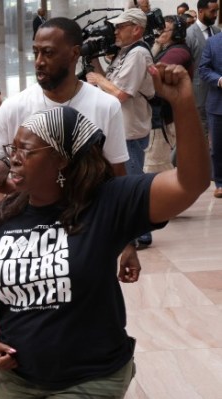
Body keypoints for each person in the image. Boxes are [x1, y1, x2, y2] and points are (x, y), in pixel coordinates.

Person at [0, 62, 208, 399]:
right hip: (18, 382)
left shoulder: (108, 203)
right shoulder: (2, 215)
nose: (11, 158)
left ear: (62, 160)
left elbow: (191, 183)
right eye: (12, 149)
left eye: (26, 150)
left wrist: (184, 105)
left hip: (88, 379)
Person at [0, 18, 142, 282]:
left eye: (48, 53)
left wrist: (127, 241)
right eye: (36, 52)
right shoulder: (15, 106)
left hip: (85, 233)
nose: (39, 61)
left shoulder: (105, 106)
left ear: (74, 53)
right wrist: (15, 175)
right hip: (25, 234)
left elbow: (117, 177)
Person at [86, 8, 157, 247]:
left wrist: (99, 80)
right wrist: (94, 61)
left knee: (133, 182)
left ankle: (142, 233)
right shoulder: (125, 52)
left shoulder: (137, 54)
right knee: (122, 182)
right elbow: (112, 82)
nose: (115, 31)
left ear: (136, 29)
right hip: (120, 127)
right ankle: (130, 230)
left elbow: (120, 93)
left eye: (120, 26)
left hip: (130, 128)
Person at [146, 16, 193, 174]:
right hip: (160, 116)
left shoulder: (178, 51)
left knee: (156, 166)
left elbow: (155, 71)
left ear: (177, 33)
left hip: (164, 118)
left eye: (164, 29)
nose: (159, 32)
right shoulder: (165, 48)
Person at [186, 0, 220, 128]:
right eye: (212, 11)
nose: (215, 15)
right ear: (201, 11)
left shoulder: (217, 32)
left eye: (217, 11)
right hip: (198, 93)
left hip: (216, 93)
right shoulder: (189, 34)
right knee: (200, 129)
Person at [199, 20, 222, 197]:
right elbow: (203, 69)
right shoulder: (213, 43)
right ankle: (220, 183)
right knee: (218, 148)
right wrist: (219, 80)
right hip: (217, 104)